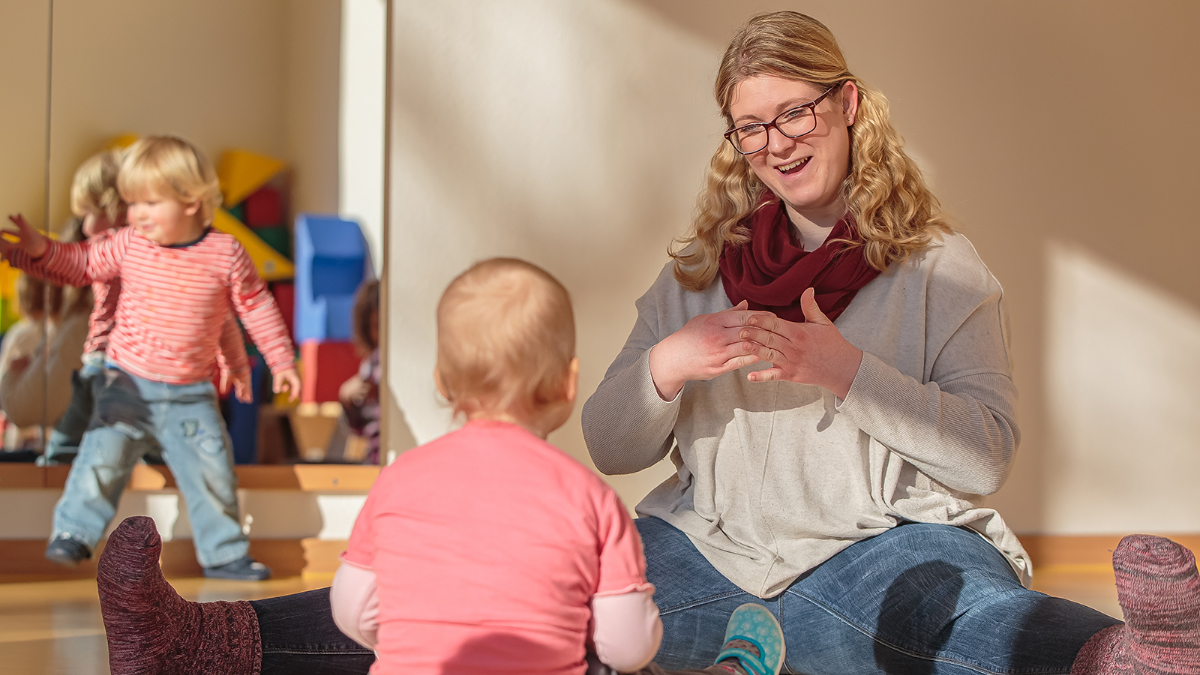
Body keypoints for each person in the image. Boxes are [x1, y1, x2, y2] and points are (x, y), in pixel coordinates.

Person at [86, 11, 1200, 675]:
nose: (775, 144)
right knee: (495, 591)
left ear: (849, 103)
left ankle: (1133, 658)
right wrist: (669, 366)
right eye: (751, 125)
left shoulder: (943, 270)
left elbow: (986, 454)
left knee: (960, 617)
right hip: (705, 554)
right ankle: (201, 646)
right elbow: (613, 443)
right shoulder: (703, 268)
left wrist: (845, 372)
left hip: (885, 546)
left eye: (796, 114)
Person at [95, 258, 789, 675]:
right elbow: (627, 641)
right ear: (566, 381)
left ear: (440, 377)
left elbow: (349, 606)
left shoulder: (399, 478)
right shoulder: (588, 498)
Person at [1, 135, 300, 580]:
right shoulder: (129, 243)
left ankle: (224, 553)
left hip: (191, 395)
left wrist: (279, 362)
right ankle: (74, 531)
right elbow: (81, 263)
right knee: (102, 455)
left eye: (149, 203)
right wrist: (42, 249)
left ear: (194, 201)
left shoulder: (225, 253)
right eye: (131, 202)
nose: (136, 214)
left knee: (212, 469)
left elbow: (251, 308)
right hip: (127, 384)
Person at [37, 150, 253, 466]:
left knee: (92, 449)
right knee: (126, 448)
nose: (86, 227)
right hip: (103, 367)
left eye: (90, 213)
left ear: (119, 209)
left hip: (120, 369)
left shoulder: (131, 248)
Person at [334, 278, 381, 464]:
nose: (381, 334)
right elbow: (359, 430)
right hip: (377, 456)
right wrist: (348, 401)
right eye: (377, 327)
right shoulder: (370, 365)